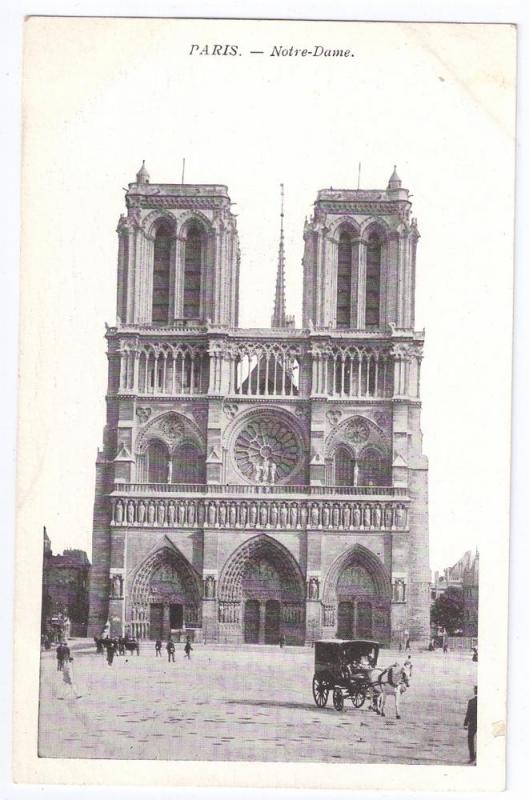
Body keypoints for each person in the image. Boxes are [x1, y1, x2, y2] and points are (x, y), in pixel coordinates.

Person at [463, 686, 478, 764]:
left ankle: (472, 757)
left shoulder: (471, 701)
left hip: (472, 724)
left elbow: (468, 713)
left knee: (470, 739)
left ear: (474, 691)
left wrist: (465, 723)